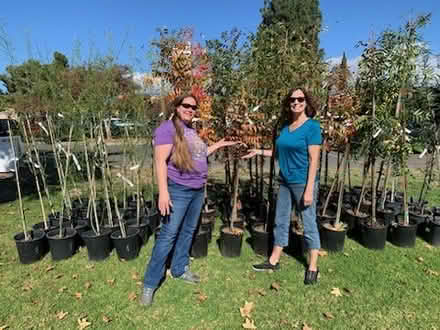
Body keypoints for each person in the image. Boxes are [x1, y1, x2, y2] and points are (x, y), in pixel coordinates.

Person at [141, 94, 237, 306]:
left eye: (194, 107)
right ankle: (149, 284)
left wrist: (219, 144)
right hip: (178, 190)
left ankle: (178, 269)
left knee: (188, 231)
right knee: (168, 235)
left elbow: (200, 155)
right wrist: (164, 193)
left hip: (196, 191)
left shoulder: (191, 131)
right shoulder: (167, 129)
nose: (190, 109)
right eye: (186, 105)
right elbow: (159, 162)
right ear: (177, 107)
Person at [243, 87, 322, 285]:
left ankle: (313, 266)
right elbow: (280, 153)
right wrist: (259, 152)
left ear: (306, 102)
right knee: (280, 219)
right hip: (284, 181)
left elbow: (314, 159)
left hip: (303, 181)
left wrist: (309, 188)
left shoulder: (312, 127)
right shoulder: (286, 128)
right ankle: (273, 260)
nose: (296, 102)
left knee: (309, 222)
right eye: (292, 100)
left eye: (300, 99)